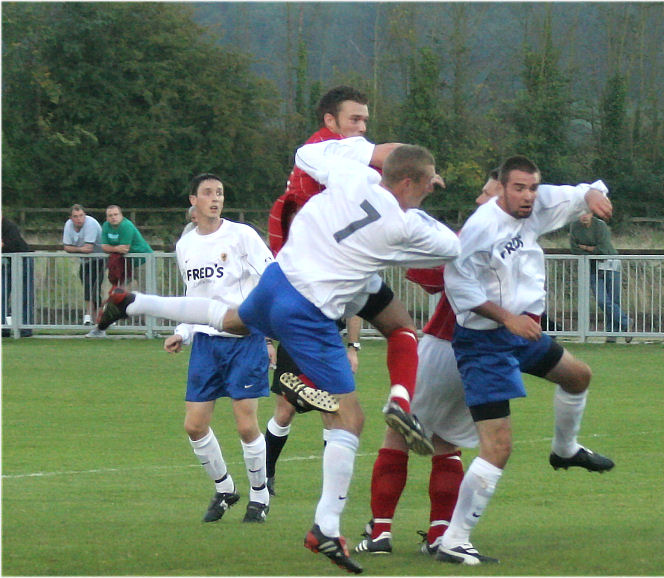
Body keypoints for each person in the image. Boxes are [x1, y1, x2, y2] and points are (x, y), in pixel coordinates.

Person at [96, 139, 460, 574]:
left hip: (278, 281)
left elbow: (308, 156)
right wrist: (418, 205)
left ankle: (133, 302)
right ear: (411, 181)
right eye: (427, 183)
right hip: (310, 309)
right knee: (351, 418)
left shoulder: (351, 175)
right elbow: (451, 247)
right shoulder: (405, 224)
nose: (429, 189)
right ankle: (326, 526)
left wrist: (368, 151)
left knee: (231, 319)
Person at [437, 155, 615, 565]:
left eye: (532, 187)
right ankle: (454, 538)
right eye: (519, 188)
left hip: (522, 333)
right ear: (499, 187)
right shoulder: (480, 229)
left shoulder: (537, 205)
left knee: (577, 376)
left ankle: (565, 450)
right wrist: (507, 319)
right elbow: (459, 290)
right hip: (484, 343)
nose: (528, 196)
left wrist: (592, 195)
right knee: (497, 448)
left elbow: (584, 191)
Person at [354, 170, 503, 557]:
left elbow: (427, 272)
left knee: (397, 436)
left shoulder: (475, 239)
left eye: (486, 193)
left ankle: (381, 532)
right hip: (484, 356)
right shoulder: (519, 242)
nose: (478, 201)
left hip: (443, 345)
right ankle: (440, 534)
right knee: (447, 444)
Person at [265, 86, 370, 496]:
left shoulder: (350, 163)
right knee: (286, 408)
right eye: (354, 120)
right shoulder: (319, 158)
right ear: (330, 122)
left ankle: (330, 498)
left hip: (328, 304)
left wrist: (354, 346)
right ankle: (266, 476)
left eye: (366, 121)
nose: (361, 128)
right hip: (302, 303)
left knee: (336, 409)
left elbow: (357, 279)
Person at [169, 173, 275, 523]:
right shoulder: (186, 246)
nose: (215, 198)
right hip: (205, 345)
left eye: (220, 193)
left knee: (246, 426)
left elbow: (271, 278)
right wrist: (183, 332)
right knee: (194, 425)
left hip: (244, 341)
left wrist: (270, 333)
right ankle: (226, 488)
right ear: (193, 201)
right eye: (208, 193)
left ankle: (259, 497)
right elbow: (194, 298)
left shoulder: (242, 236)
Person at [569, 212, 632, 343]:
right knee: (602, 300)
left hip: (610, 263)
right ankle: (626, 322)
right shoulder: (574, 227)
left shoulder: (600, 225)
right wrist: (592, 249)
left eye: (586, 213)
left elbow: (603, 249)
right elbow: (575, 249)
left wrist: (585, 247)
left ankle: (611, 335)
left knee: (614, 300)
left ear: (591, 213)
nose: (584, 216)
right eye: (580, 213)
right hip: (592, 267)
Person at [62, 204, 106, 336]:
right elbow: (66, 247)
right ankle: (97, 317)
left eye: (81, 215)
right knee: (87, 285)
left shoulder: (91, 224)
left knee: (94, 286)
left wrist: (76, 249)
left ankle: (90, 315)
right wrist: (80, 250)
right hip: (85, 261)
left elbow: (89, 249)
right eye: (75, 216)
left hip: (100, 258)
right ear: (71, 218)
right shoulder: (68, 225)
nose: (79, 219)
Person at [101, 205, 153, 287]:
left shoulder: (126, 225)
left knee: (146, 289)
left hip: (143, 259)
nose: (113, 217)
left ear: (121, 215)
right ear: (107, 218)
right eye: (110, 215)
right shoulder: (106, 226)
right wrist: (117, 248)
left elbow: (124, 249)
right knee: (118, 290)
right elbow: (104, 247)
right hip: (125, 262)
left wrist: (111, 248)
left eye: (116, 214)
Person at [1, 216, 34, 337]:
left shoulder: (10, 227)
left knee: (24, 295)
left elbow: (8, 245)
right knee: (2, 295)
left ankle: (26, 328)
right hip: (5, 263)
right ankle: (3, 327)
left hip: (23, 261)